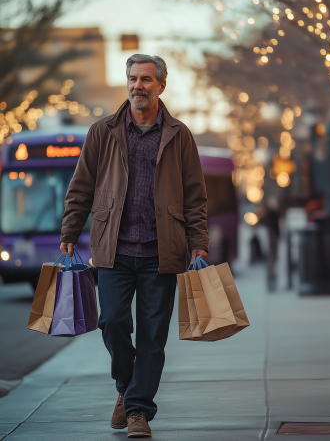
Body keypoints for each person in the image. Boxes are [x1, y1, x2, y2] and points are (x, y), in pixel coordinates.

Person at [59, 54, 209, 438]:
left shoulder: (179, 135)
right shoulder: (103, 131)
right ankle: (127, 389)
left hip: (163, 251)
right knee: (111, 322)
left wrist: (198, 243)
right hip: (114, 250)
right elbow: (81, 187)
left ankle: (138, 410)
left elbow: (195, 196)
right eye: (132, 78)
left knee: (152, 337)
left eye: (145, 79)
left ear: (161, 85)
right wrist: (70, 232)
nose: (137, 86)